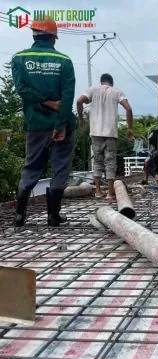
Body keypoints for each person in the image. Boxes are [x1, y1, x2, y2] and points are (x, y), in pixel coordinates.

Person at [11, 17, 76, 227]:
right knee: (60, 168)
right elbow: (67, 97)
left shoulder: (19, 58)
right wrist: (60, 123)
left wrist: (44, 102)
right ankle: (53, 216)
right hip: (61, 124)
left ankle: (19, 215)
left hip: (35, 123)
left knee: (31, 167)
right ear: (53, 38)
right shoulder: (64, 61)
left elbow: (22, 90)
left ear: (34, 36)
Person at [76, 74, 133, 200]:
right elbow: (128, 109)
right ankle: (110, 193)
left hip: (95, 133)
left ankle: (98, 191)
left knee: (97, 162)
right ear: (111, 83)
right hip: (111, 134)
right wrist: (129, 128)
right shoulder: (117, 92)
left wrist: (81, 118)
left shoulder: (92, 89)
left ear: (102, 82)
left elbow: (79, 101)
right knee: (110, 162)